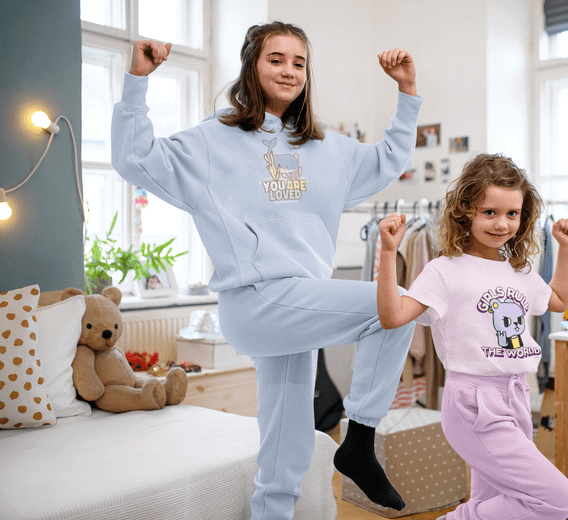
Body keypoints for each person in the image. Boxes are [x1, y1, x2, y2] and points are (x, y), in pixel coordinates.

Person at [111, 21, 421, 520]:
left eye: (299, 62)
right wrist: (137, 81)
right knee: (395, 306)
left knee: (287, 433)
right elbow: (133, 158)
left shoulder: (327, 148)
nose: (289, 70)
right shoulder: (215, 140)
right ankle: (360, 439)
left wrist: (406, 92)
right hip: (255, 298)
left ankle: (271, 511)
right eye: (276, 59)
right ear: (252, 66)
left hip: (301, 303)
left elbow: (390, 159)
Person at [377, 153, 568, 520]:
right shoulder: (444, 270)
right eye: (489, 212)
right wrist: (389, 254)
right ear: (465, 211)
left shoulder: (518, 271)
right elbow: (392, 317)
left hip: (516, 395)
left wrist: (566, 250)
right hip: (473, 403)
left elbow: (559, 300)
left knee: (499, 501)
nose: (502, 224)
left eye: (512, 214)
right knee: (557, 499)